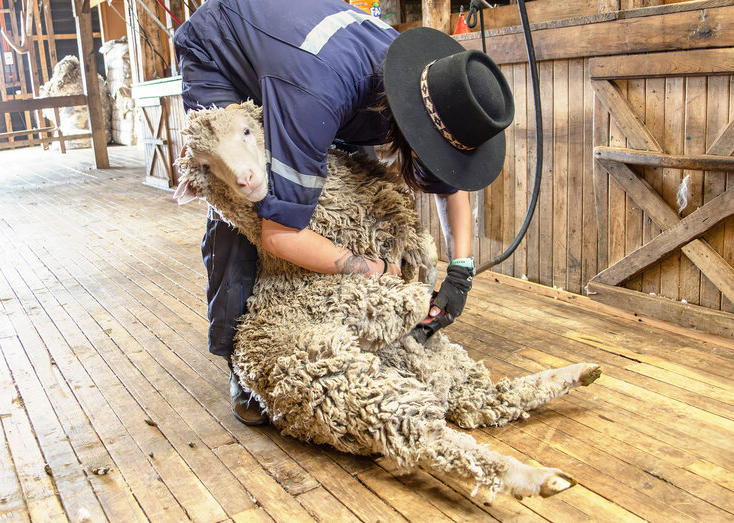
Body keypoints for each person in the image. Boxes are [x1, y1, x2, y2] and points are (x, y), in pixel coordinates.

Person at [175, 0, 515, 425]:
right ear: (416, 125)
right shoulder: (318, 94)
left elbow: (449, 185)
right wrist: (373, 268)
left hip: (309, 71)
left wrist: (461, 273)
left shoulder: (418, 83)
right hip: (222, 49)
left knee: (357, 192)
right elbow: (278, 234)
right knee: (250, 197)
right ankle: (244, 358)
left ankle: (354, 324)